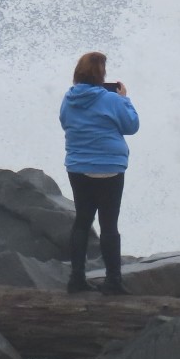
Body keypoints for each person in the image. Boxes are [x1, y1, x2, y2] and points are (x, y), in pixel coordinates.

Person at [59, 51, 139, 294]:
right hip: (109, 168)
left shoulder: (68, 98)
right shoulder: (112, 99)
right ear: (100, 74)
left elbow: (64, 122)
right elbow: (131, 126)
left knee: (82, 221)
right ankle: (113, 281)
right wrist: (124, 99)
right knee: (108, 224)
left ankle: (76, 279)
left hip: (78, 166)